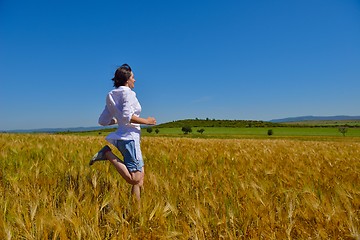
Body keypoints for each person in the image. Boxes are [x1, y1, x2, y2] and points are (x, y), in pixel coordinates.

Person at [90, 63, 156, 203]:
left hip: (122, 137)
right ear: (127, 79)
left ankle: (137, 209)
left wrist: (118, 120)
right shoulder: (128, 93)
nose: (135, 80)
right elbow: (127, 116)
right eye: (133, 77)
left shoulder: (111, 95)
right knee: (135, 178)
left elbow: (103, 121)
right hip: (130, 139)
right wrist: (147, 121)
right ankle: (107, 153)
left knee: (141, 177)